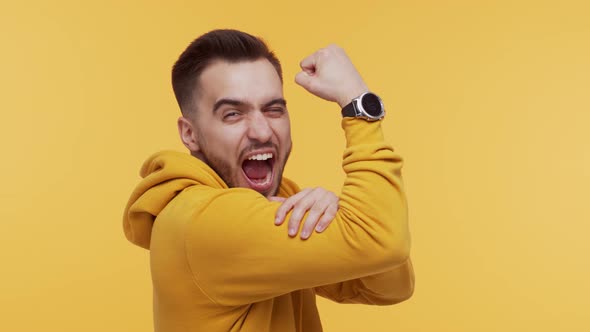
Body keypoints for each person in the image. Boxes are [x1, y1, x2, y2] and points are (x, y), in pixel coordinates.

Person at [123, 29, 414, 332]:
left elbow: (389, 285)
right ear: (189, 134)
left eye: (273, 109)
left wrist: (352, 219)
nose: (262, 132)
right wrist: (357, 102)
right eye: (233, 114)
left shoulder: (277, 202)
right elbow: (384, 243)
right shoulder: (203, 220)